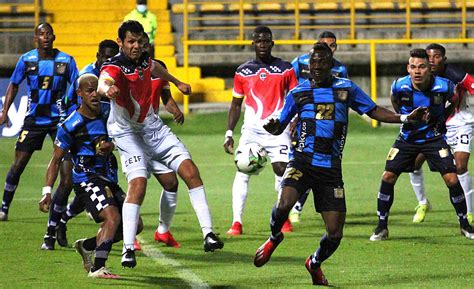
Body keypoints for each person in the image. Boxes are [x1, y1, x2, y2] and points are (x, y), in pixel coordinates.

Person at [253, 42, 427, 286]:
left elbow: (374, 110)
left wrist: (405, 117)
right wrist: (274, 127)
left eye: (321, 62)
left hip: (330, 168)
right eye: (312, 62)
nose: (315, 66)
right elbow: (281, 123)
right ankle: (274, 237)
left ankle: (314, 263)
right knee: (283, 205)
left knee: (335, 234)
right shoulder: (298, 93)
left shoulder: (345, 89)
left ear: (330, 65)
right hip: (302, 161)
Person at [98, 20, 223, 268]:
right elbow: (104, 80)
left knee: (190, 171)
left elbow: (156, 68)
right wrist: (106, 90)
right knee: (139, 184)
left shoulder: (145, 59)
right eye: (130, 42)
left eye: (139, 41)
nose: (136, 46)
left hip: (153, 128)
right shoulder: (114, 66)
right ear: (120, 42)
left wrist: (177, 83)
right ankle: (128, 249)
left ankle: (208, 234)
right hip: (126, 134)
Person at [39, 73, 142, 279]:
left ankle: (87, 246)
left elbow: (125, 133)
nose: (95, 94)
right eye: (89, 91)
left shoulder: (108, 111)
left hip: (108, 177)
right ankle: (98, 268)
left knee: (135, 225)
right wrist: (47, 191)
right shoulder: (70, 125)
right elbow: (55, 160)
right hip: (86, 179)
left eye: (97, 89)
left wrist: (111, 145)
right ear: (79, 94)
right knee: (112, 216)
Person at [370, 48, 474, 241]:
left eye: (422, 67)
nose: (417, 71)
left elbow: (454, 99)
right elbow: (395, 102)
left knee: (452, 178)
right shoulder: (399, 86)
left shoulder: (444, 86)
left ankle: (465, 225)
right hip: (407, 138)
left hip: (434, 138)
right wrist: (406, 119)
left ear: (429, 69)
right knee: (388, 176)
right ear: (408, 69)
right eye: (413, 67)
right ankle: (381, 226)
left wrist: (441, 117)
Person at [40, 39, 120, 250]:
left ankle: (66, 219)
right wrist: (73, 129)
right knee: (68, 181)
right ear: (98, 56)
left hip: (102, 139)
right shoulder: (86, 74)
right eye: (105, 57)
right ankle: (50, 231)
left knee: (99, 184)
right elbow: (66, 102)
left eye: (112, 58)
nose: (108, 61)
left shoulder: (115, 75)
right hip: (77, 136)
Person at [0, 23, 78, 227]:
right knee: (18, 165)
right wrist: (5, 110)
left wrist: (73, 114)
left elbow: (77, 87)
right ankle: (4, 206)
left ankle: (61, 211)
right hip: (34, 120)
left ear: (54, 37)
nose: (45, 37)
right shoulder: (26, 60)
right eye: (41, 34)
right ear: (36, 38)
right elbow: (14, 85)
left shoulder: (66, 60)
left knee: (67, 168)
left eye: (48, 34)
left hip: (59, 121)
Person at [223, 25, 298, 236]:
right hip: (252, 131)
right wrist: (229, 133)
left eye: (266, 41)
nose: (263, 44)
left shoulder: (285, 68)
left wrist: (294, 120)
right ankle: (236, 222)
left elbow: (295, 98)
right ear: (253, 44)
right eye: (259, 41)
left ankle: (281, 216)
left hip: (278, 128)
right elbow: (236, 105)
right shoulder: (243, 71)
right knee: (243, 171)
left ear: (272, 43)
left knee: (282, 170)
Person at [408, 43, 474, 223]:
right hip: (435, 127)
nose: (432, 60)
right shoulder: (421, 77)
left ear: (443, 59)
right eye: (428, 57)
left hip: (461, 124)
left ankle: (469, 213)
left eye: (436, 56)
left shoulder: (456, 75)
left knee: (460, 167)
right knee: (412, 164)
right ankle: (422, 203)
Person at [289, 30, 349, 223]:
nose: (329, 49)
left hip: (326, 124)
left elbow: (343, 99)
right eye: (325, 45)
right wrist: (292, 117)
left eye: (332, 45)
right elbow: (290, 88)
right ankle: (293, 205)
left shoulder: (340, 70)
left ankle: (300, 205)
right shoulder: (299, 63)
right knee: (302, 160)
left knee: (317, 161)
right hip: (302, 120)